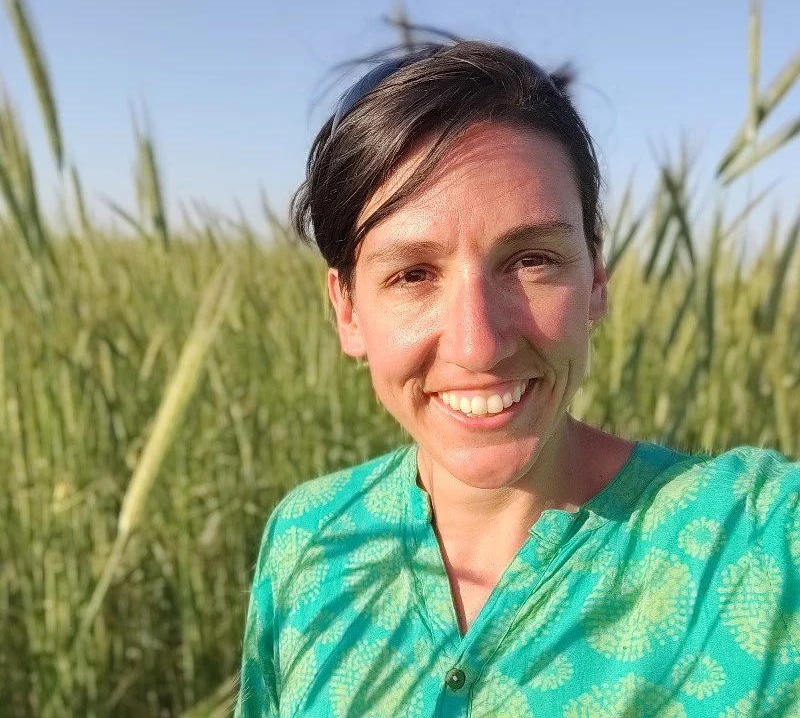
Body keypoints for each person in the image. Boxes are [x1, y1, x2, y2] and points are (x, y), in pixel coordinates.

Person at [234, 41, 800, 717]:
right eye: (413, 275)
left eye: (531, 259)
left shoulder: (760, 548)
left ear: (597, 280)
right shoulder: (308, 541)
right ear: (348, 310)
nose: (479, 344)